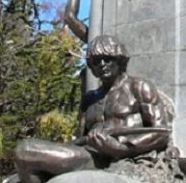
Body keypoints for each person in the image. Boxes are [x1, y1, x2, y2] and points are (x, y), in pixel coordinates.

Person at [12, 35, 171, 183]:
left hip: (119, 156)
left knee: (26, 150)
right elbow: (78, 141)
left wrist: (120, 149)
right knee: (21, 162)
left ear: (119, 59)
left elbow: (161, 132)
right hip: (90, 156)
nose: (102, 64)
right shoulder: (89, 99)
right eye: (96, 61)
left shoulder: (139, 86)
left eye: (107, 59)